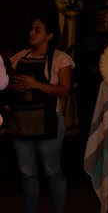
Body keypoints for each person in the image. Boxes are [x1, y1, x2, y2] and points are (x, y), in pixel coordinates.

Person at [8, 14, 74, 213]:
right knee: (27, 173)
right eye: (31, 29)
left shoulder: (60, 58)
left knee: (52, 171)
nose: (32, 33)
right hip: (21, 121)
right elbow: (8, 87)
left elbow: (65, 90)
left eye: (38, 30)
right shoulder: (20, 57)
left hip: (48, 121)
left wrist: (36, 84)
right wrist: (16, 88)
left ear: (49, 35)